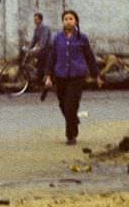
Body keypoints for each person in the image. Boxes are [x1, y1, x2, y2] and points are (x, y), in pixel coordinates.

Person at [44, 10, 104, 145]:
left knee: (71, 105)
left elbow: (89, 57)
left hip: (77, 76)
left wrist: (97, 76)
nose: (68, 21)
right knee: (63, 104)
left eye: (71, 18)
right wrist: (48, 75)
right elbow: (52, 57)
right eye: (65, 19)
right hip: (60, 75)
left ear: (76, 21)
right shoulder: (58, 38)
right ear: (63, 22)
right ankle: (74, 120)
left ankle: (71, 136)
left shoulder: (82, 38)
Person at [28, 12, 52, 99]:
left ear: (40, 20)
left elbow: (43, 41)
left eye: (36, 19)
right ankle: (42, 83)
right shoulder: (36, 29)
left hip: (48, 50)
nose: (35, 21)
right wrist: (29, 48)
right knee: (39, 65)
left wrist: (37, 48)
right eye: (34, 19)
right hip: (42, 51)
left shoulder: (45, 28)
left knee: (42, 66)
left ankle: (46, 82)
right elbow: (34, 40)